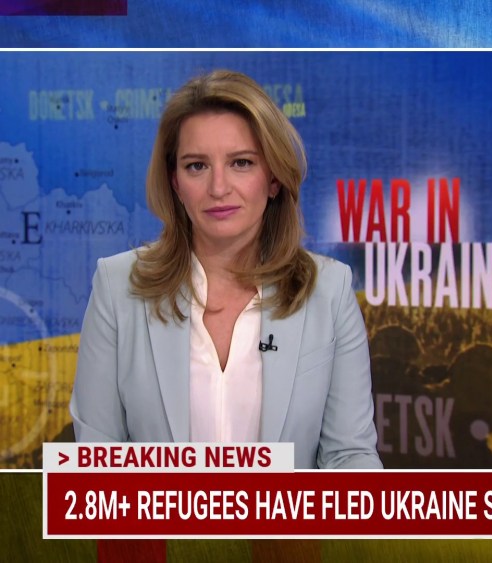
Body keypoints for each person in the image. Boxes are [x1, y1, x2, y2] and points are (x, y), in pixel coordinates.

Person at [69, 69, 382, 470]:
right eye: (196, 166)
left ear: (273, 178)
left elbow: (350, 456)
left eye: (241, 163)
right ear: (175, 182)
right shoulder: (117, 287)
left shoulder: (330, 291)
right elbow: (95, 462)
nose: (218, 188)